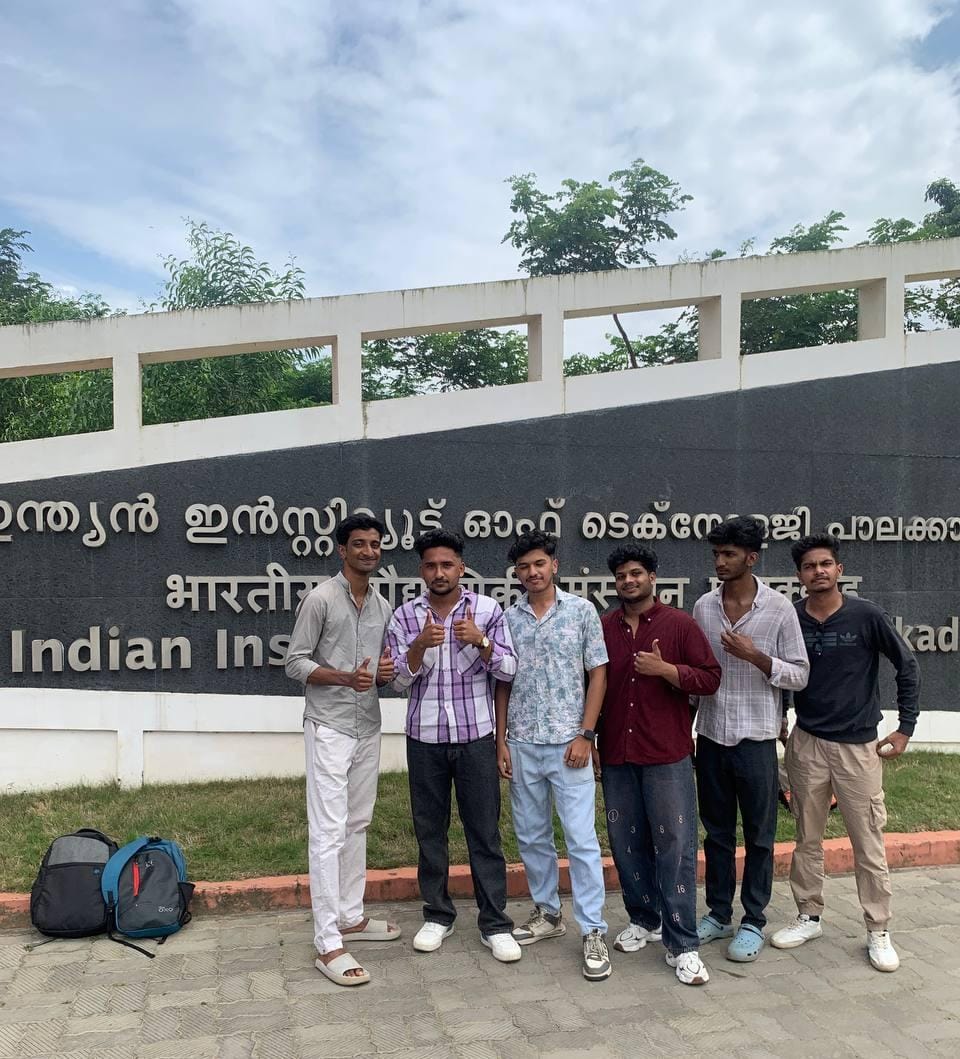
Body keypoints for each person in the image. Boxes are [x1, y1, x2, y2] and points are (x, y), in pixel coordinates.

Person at [771, 533, 920, 972]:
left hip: (857, 745)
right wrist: (781, 715)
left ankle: (878, 929)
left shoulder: (866, 615)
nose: (818, 571)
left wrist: (905, 729)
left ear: (838, 570)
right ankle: (808, 915)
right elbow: (783, 671)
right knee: (807, 837)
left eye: (825, 564)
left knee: (867, 841)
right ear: (799, 575)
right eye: (809, 566)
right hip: (807, 742)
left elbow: (907, 665)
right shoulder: (792, 617)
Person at [386, 529, 521, 963]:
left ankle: (495, 923)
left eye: (447, 564)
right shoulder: (405, 616)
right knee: (430, 830)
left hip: (475, 737)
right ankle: (437, 915)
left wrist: (481, 641)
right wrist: (418, 647)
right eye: (431, 565)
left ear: (462, 568)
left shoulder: (487, 610)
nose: (439, 572)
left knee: (484, 831)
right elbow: (397, 681)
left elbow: (509, 669)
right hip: (424, 738)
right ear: (421, 571)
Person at [598, 545, 722, 986]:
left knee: (675, 846)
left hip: (667, 755)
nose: (628, 581)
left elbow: (710, 678)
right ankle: (644, 919)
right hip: (617, 753)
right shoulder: (605, 627)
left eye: (636, 573)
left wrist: (667, 670)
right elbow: (592, 684)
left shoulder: (679, 625)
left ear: (652, 577)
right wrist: (590, 737)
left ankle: (683, 943)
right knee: (625, 842)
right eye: (620, 576)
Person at [285, 513, 400, 987]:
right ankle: (328, 940)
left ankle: (351, 916)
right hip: (329, 726)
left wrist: (385, 675)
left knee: (358, 823)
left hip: (368, 725)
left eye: (375, 544)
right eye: (359, 544)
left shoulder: (382, 605)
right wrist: (342, 677)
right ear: (342, 549)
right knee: (328, 831)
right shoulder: (320, 599)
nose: (368, 551)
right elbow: (294, 662)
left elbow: (381, 672)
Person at [494, 530, 612, 981]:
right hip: (523, 742)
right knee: (531, 836)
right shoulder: (509, 619)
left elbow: (598, 674)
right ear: (517, 573)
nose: (532, 572)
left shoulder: (581, 611)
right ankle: (547, 912)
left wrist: (586, 735)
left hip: (569, 745)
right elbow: (503, 681)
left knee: (581, 839)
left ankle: (593, 929)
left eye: (539, 564)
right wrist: (502, 740)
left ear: (554, 565)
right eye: (524, 567)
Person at [692, 516, 809, 962]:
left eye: (729, 554)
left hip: (757, 741)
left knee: (760, 836)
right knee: (717, 834)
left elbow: (800, 674)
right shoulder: (703, 607)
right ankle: (719, 913)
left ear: (752, 557)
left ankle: (754, 920)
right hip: (711, 737)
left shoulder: (779, 609)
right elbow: (698, 674)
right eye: (716, 554)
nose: (720, 562)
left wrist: (758, 657)